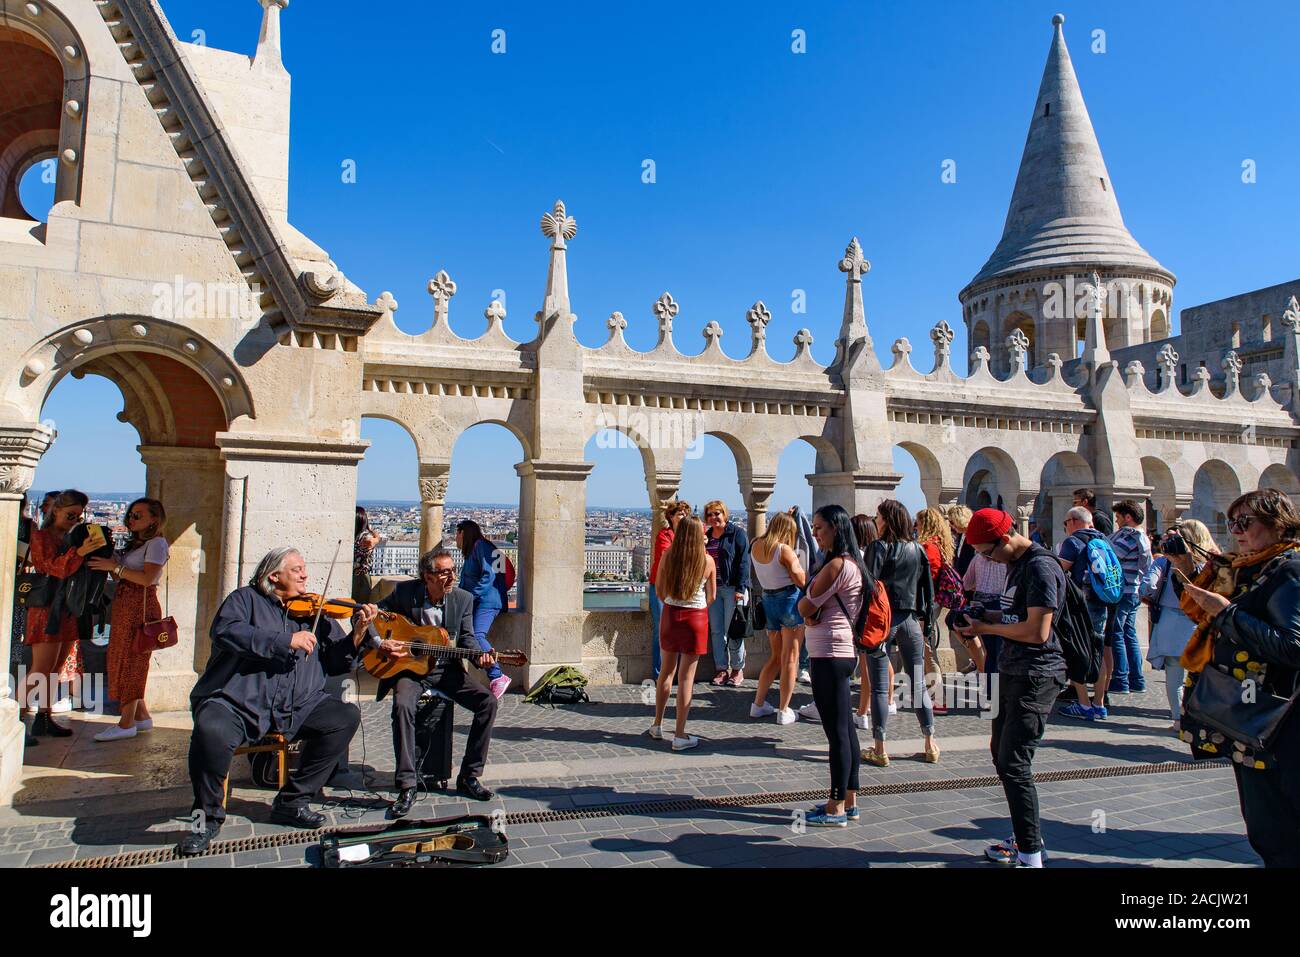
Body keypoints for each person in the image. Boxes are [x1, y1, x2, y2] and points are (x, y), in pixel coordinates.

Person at [182, 547, 375, 855]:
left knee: (344, 718)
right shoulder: (244, 600)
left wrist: (358, 634)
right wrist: (284, 641)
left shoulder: (314, 612)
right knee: (211, 731)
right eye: (297, 569)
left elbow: (337, 662)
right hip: (238, 701)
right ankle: (204, 821)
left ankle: (293, 801)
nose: (305, 575)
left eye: (304, 568)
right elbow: (226, 633)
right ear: (273, 576)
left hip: (298, 706)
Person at [1179, 489, 1300, 867]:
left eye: (1245, 522)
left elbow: (1294, 647)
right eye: (1232, 522)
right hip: (1250, 717)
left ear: (1277, 523)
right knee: (1263, 827)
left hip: (1277, 721)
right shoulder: (1248, 566)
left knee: (1278, 829)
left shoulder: (1289, 569)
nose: (1236, 531)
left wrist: (1225, 613)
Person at [951, 509, 1068, 867]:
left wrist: (987, 631)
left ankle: (1031, 854)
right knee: (1001, 754)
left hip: (1036, 675)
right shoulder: (1016, 564)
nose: (987, 560)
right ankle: (1025, 836)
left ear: (1005, 539)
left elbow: (1037, 631)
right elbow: (1016, 616)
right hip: (1012, 670)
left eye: (987, 553)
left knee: (1014, 762)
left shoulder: (1040, 567)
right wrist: (986, 617)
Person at [374, 548, 500, 818]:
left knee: (487, 703)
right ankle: (408, 783)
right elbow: (371, 616)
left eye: (453, 570)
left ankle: (469, 776)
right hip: (409, 669)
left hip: (445, 669)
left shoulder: (462, 599)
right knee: (402, 707)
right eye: (444, 572)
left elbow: (467, 639)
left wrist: (481, 659)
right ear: (427, 577)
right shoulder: (405, 593)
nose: (451, 576)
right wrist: (382, 642)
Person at [797, 505, 867, 825]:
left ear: (836, 529)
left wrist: (809, 610)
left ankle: (835, 805)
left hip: (829, 652)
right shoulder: (855, 563)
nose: (815, 533)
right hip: (842, 650)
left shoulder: (837, 564)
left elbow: (805, 605)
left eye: (820, 527)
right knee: (846, 728)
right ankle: (850, 799)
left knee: (836, 731)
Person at [860, 500, 938, 766]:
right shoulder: (917, 549)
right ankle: (930, 743)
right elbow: (927, 588)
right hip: (910, 620)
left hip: (884, 622)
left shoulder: (878, 547)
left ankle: (880, 747)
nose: (875, 520)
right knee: (918, 684)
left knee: (881, 688)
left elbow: (868, 585)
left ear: (888, 520)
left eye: (878, 516)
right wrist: (927, 623)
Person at [85, 498, 169, 741]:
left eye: (138, 515)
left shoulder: (157, 544)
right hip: (126, 604)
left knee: (131, 662)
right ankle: (141, 718)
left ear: (154, 518)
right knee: (125, 658)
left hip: (138, 607)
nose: (131, 519)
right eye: (131, 514)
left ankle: (125, 724)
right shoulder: (139, 543)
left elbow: (147, 578)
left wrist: (116, 567)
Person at [18, 490, 91, 742]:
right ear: (56, 510)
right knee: (40, 669)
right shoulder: (41, 537)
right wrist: (80, 552)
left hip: (66, 609)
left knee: (54, 669)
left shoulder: (68, 538)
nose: (74, 520)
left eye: (78, 517)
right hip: (46, 608)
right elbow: (54, 568)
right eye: (71, 514)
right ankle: (13, 720)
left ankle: (44, 718)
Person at [1141, 519, 1217, 732]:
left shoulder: (1165, 562)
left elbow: (1147, 587)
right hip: (1197, 623)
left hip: (1171, 622)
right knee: (1201, 674)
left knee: (1175, 675)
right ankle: (1198, 719)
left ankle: (1179, 719)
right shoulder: (1211, 565)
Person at [649, 515, 715, 751]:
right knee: (686, 678)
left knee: (665, 673)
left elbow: (659, 588)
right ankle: (679, 734)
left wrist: (671, 601)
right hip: (695, 617)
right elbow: (712, 596)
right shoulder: (707, 561)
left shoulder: (669, 555)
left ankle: (657, 724)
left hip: (670, 613)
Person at [1055, 506, 1116, 719]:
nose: (1066, 527)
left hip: (1080, 606)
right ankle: (1099, 703)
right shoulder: (1105, 541)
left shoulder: (1073, 542)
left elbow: (1058, 571)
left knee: (1077, 651)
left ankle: (1083, 703)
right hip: (1102, 602)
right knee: (1098, 652)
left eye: (1065, 523)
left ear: (1072, 521)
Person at [749, 512, 807, 724]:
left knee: (775, 657)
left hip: (768, 600)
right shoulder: (784, 550)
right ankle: (783, 709)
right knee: (791, 657)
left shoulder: (755, 545)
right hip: (789, 600)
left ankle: (758, 704)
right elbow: (801, 579)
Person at [456, 519, 510, 698]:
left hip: (487, 601)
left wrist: (470, 597)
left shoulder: (480, 547)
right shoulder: (477, 549)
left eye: (456, 534)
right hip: (482, 600)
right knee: (465, 637)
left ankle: (497, 676)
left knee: (477, 635)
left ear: (463, 533)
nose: (455, 538)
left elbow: (489, 576)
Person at [702, 501, 750, 687]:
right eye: (710, 514)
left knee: (734, 630)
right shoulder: (706, 536)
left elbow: (744, 563)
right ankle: (721, 668)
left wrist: (740, 589)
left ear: (725, 514)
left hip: (731, 589)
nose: (714, 517)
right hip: (712, 589)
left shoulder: (737, 534)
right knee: (716, 630)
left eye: (718, 513)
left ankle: (737, 670)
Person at [1108, 500, 1153, 694]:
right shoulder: (1141, 537)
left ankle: (1121, 680)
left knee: (1116, 634)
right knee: (1129, 634)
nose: (1116, 521)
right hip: (1133, 591)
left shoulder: (1128, 537)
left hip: (1123, 591)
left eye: (1118, 517)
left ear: (1128, 517)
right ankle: (1137, 679)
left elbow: (1111, 556)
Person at [915, 506, 954, 712]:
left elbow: (925, 577)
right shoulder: (941, 545)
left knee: (928, 650)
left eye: (919, 522)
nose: (916, 526)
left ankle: (938, 698)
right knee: (925, 648)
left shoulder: (929, 547)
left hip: (926, 603)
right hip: (932, 602)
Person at [851, 513, 886, 730]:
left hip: (864, 615)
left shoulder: (859, 557)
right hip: (878, 615)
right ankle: (888, 701)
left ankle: (863, 712)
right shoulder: (877, 553)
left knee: (865, 666)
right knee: (880, 662)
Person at [648, 501, 691, 680]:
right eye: (679, 514)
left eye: (685, 514)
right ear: (671, 517)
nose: (683, 517)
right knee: (662, 630)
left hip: (681, 588)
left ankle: (678, 673)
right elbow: (669, 557)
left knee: (679, 630)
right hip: (662, 588)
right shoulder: (664, 535)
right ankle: (661, 674)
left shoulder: (691, 536)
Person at [959, 550, 1009, 674]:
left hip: (982, 606)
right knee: (999, 651)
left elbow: (966, 584)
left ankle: (991, 688)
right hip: (1001, 605)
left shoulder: (977, 559)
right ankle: (996, 687)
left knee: (990, 651)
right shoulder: (1007, 561)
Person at [352, 506, 382, 603]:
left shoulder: (363, 536)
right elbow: (375, 535)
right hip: (361, 576)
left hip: (359, 578)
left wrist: (374, 540)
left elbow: (370, 540)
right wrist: (376, 539)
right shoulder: (364, 534)